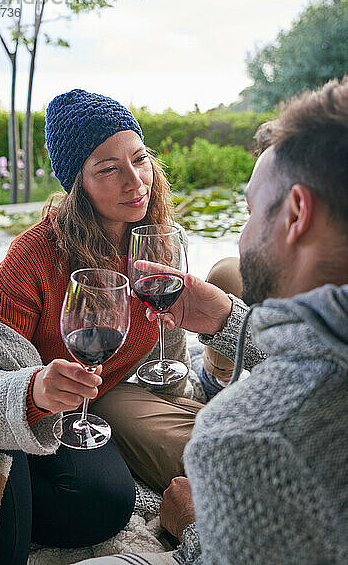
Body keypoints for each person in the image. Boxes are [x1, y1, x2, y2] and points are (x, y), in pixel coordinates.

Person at [81, 77, 348, 564]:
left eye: (248, 213)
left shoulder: (239, 440)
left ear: (297, 214)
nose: (243, 236)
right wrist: (229, 319)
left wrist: (192, 528)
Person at [0, 89, 203, 565]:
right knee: (98, 503)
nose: (136, 181)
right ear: (77, 185)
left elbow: (168, 340)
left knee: (119, 495)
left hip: (101, 394)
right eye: (108, 169)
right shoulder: (32, 258)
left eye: (140, 159)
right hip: (31, 396)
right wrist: (32, 391)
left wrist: (178, 383)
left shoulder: (160, 239)